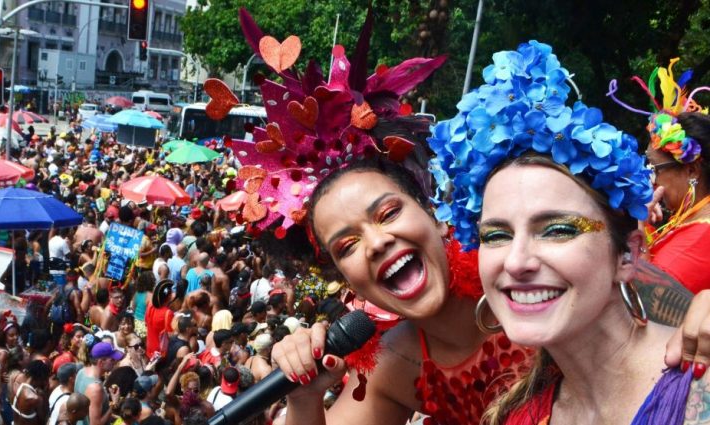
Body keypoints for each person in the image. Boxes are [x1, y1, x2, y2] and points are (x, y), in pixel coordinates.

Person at [238, 27, 698, 425]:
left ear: (435, 215)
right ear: (347, 280)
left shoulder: (518, 266)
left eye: (389, 213)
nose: (377, 243)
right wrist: (304, 398)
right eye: (348, 245)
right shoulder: (397, 361)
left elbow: (657, 305)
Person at [425, 42, 708, 424]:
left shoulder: (698, 391)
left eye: (557, 230)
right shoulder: (519, 417)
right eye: (496, 236)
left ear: (627, 255)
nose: (517, 261)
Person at [609, 63, 710, 293]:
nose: (651, 181)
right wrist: (641, 224)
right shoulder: (690, 223)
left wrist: (640, 242)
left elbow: (645, 304)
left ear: (692, 170)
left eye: (655, 169)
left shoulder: (700, 240)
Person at [76, 342, 123, 425]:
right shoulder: (96, 389)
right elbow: (95, 424)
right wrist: (114, 404)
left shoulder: (81, 371)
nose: (115, 361)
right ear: (101, 362)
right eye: (112, 359)